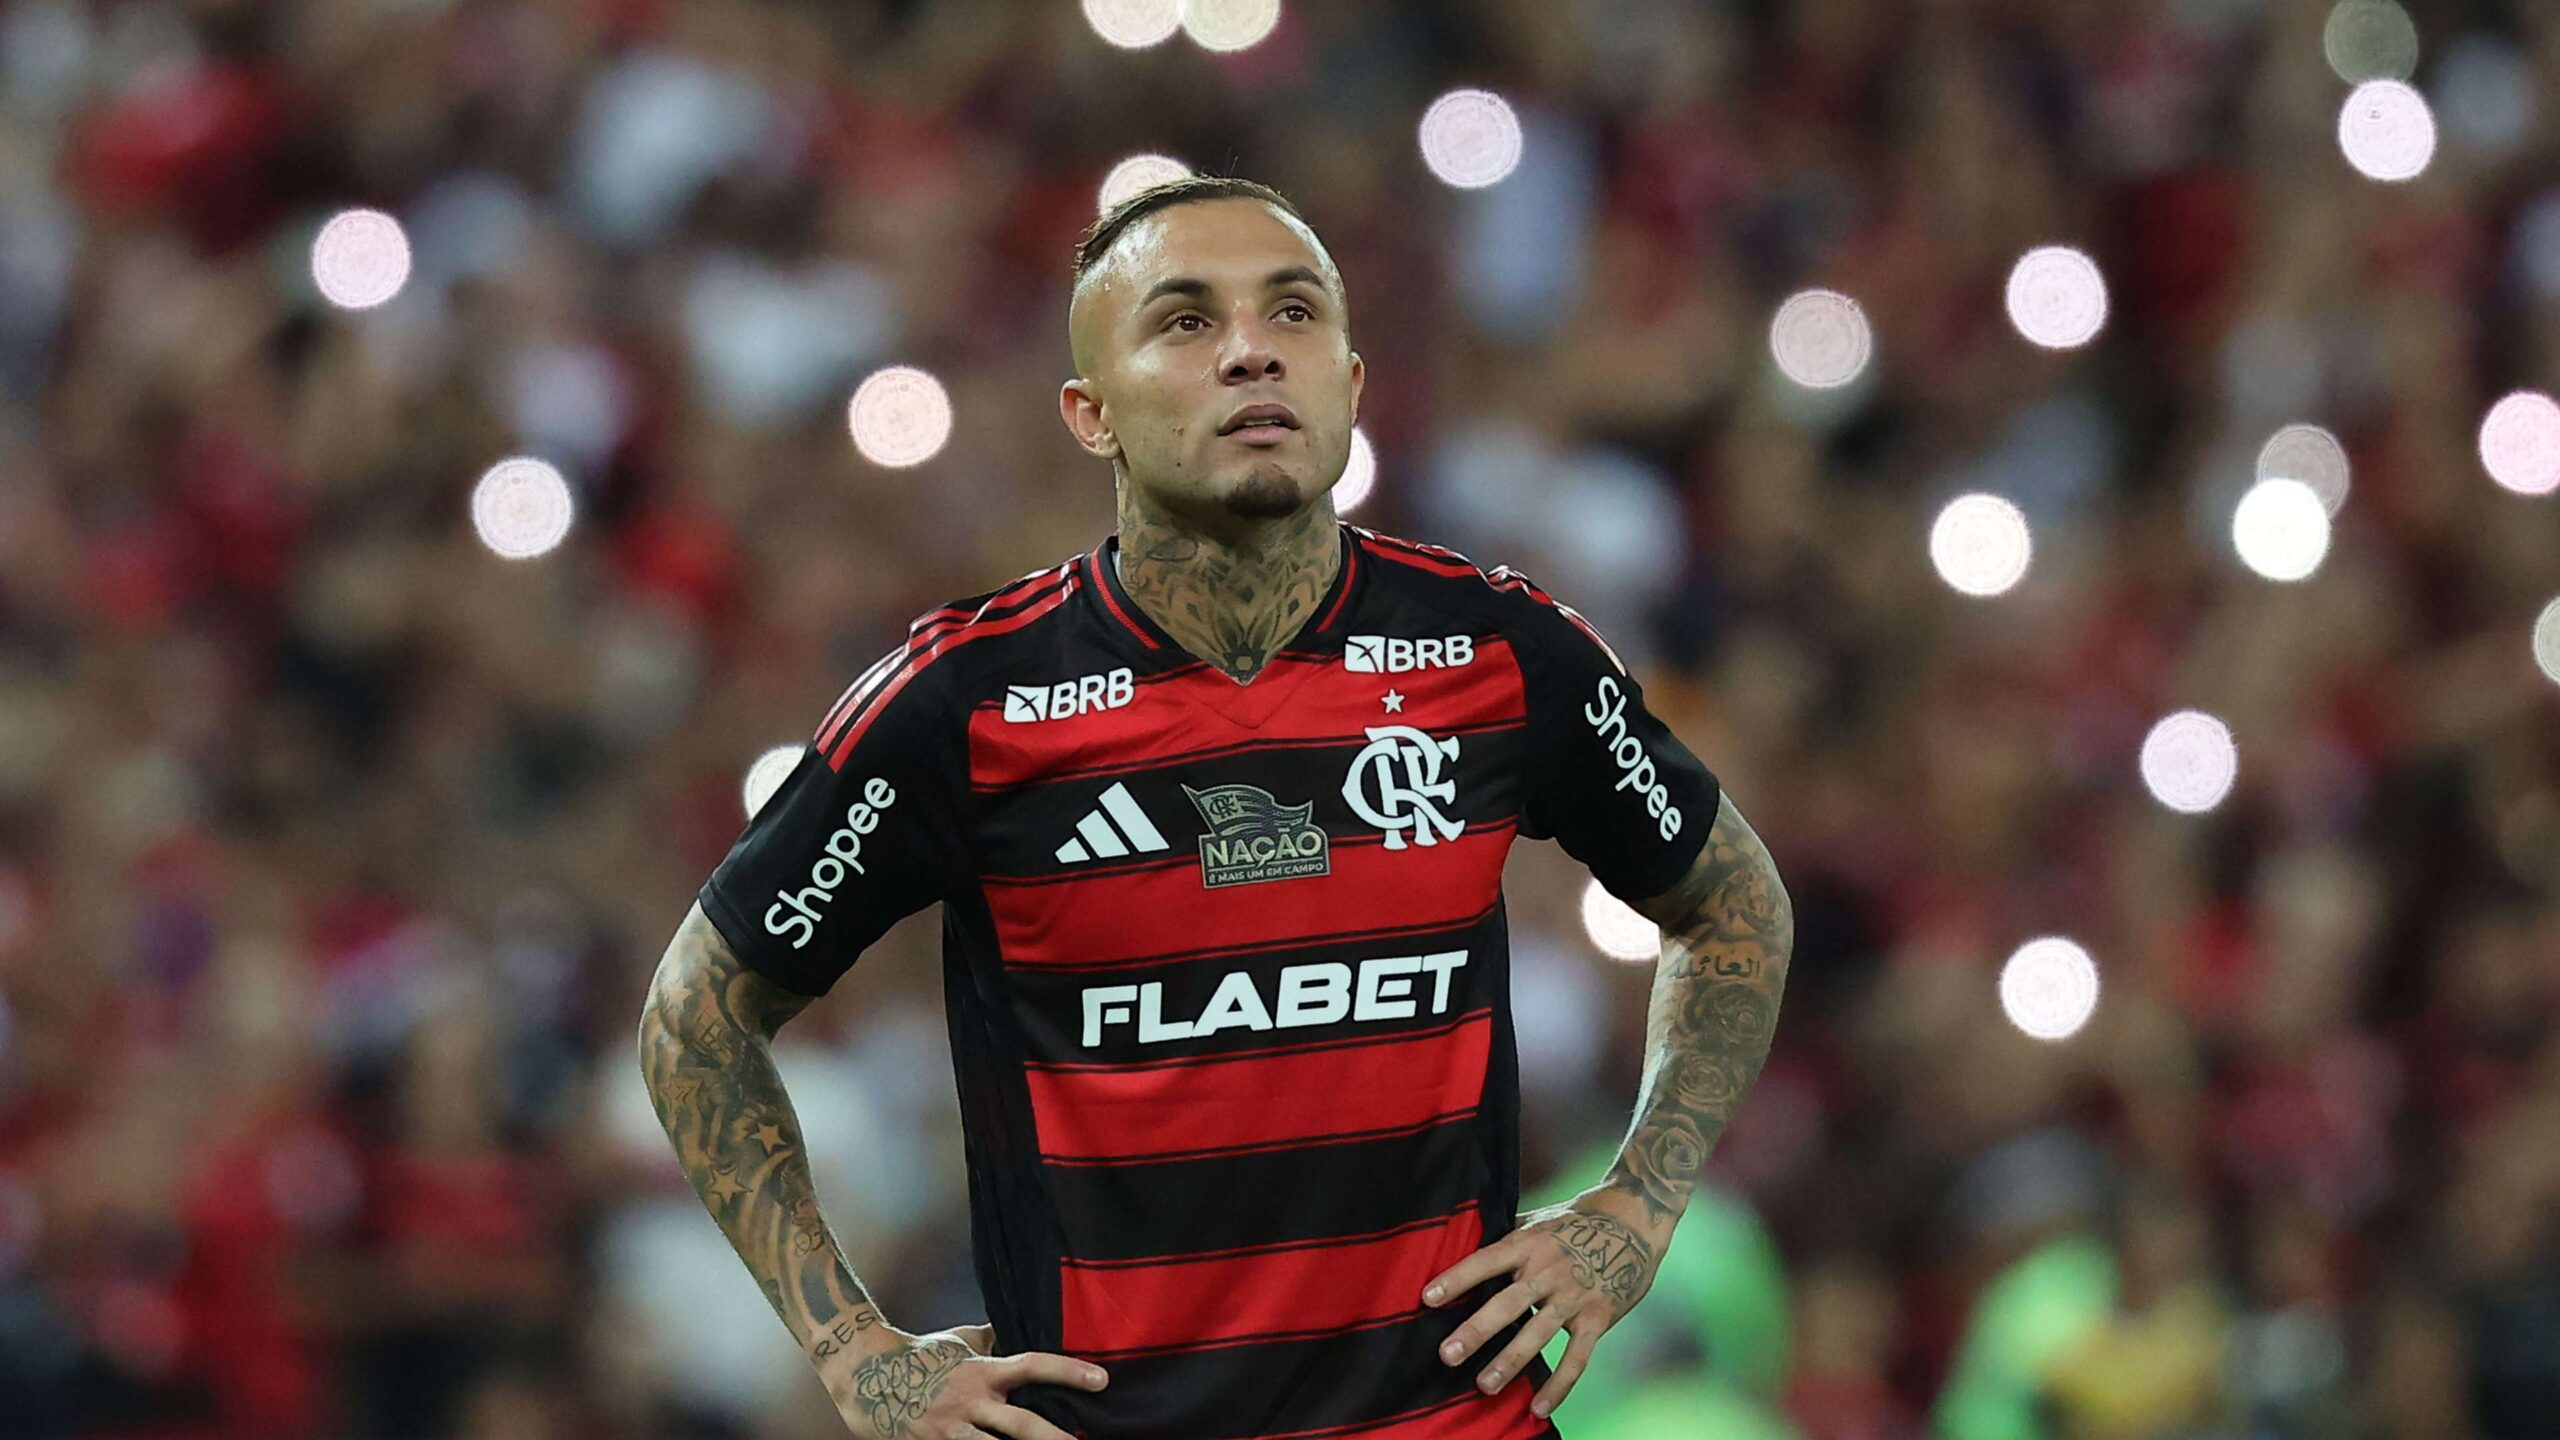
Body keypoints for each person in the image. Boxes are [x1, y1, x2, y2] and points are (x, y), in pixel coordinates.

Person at [636, 174, 1794, 1440]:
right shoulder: (965, 704)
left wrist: (1638, 1205)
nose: (1252, 350)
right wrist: (852, 1348)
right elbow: (698, 1016)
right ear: (1092, 415)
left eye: (1293, 313)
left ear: (1351, 383)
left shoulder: (1500, 651)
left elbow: (1731, 902)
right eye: (1186, 321)